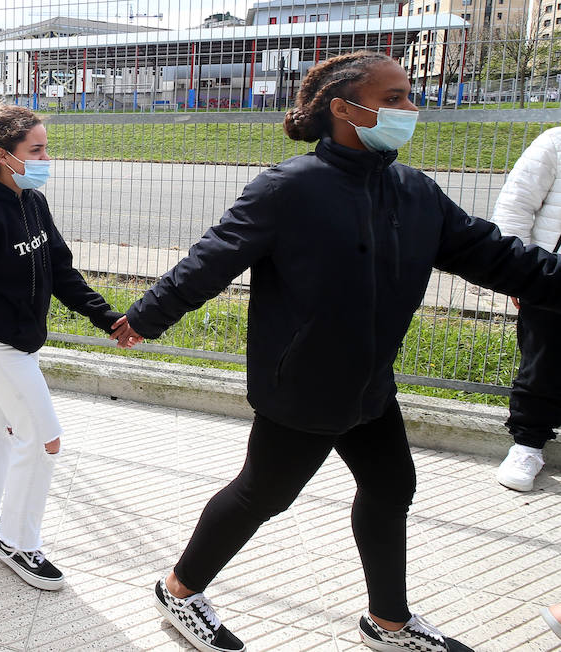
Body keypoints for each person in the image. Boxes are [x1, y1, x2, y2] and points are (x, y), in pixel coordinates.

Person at [116, 51, 561, 652]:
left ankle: (389, 622)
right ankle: (180, 589)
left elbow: (498, 255)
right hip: (302, 384)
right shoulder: (289, 187)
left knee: (391, 487)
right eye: (396, 98)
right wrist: (144, 317)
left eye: (409, 95)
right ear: (345, 109)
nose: (412, 108)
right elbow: (211, 259)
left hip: (370, 381)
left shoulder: (414, 190)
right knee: (264, 493)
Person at [0, 100, 126, 592]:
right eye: (36, 149)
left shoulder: (31, 201)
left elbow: (60, 269)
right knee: (43, 438)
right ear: (5, 154)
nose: (45, 158)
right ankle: (17, 542)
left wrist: (108, 319)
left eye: (45, 148)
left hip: (18, 341)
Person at [489, 126, 561, 491]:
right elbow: (516, 204)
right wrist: (520, 272)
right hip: (553, 277)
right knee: (542, 363)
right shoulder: (555, 142)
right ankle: (527, 446)